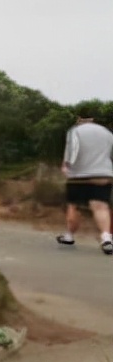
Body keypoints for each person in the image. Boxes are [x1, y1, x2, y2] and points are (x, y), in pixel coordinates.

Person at [55, 107, 113, 255]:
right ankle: (106, 238)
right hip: (103, 174)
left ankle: (69, 236)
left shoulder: (75, 131)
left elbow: (73, 150)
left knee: (74, 206)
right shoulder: (107, 133)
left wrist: (66, 165)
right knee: (101, 206)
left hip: (79, 175)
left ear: (79, 118)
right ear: (93, 118)